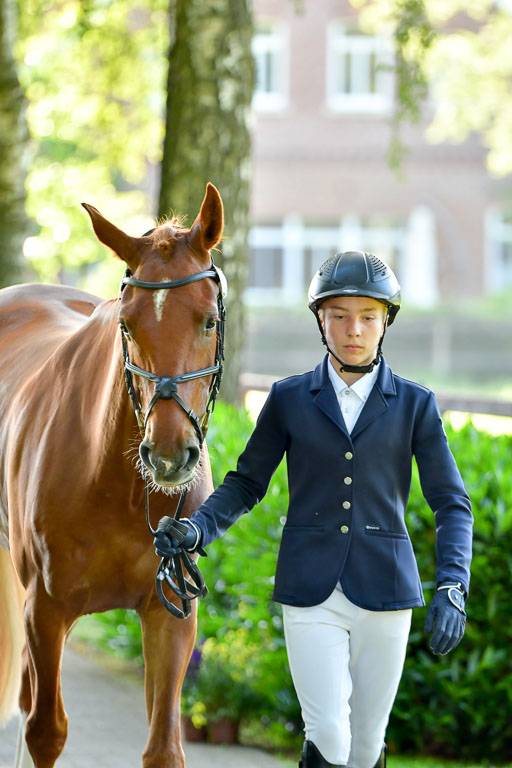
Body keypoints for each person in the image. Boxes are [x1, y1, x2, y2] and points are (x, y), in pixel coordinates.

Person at [154, 251, 473, 768]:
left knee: (368, 745)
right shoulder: (288, 399)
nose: (354, 329)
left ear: (385, 322)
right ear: (320, 320)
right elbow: (245, 484)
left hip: (386, 591)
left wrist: (453, 584)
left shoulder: (416, 404)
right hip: (310, 592)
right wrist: (196, 530)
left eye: (368, 317)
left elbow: (451, 504)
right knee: (328, 734)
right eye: (340, 315)